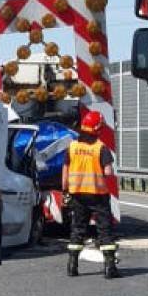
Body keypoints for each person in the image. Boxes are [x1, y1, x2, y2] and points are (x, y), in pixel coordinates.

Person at [62, 109, 118, 278]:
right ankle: (110, 268)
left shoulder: (72, 146)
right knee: (104, 230)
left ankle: (72, 266)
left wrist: (66, 189)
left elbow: (65, 170)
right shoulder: (101, 148)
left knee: (77, 229)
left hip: (78, 195)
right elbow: (108, 172)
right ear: (98, 128)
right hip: (98, 195)